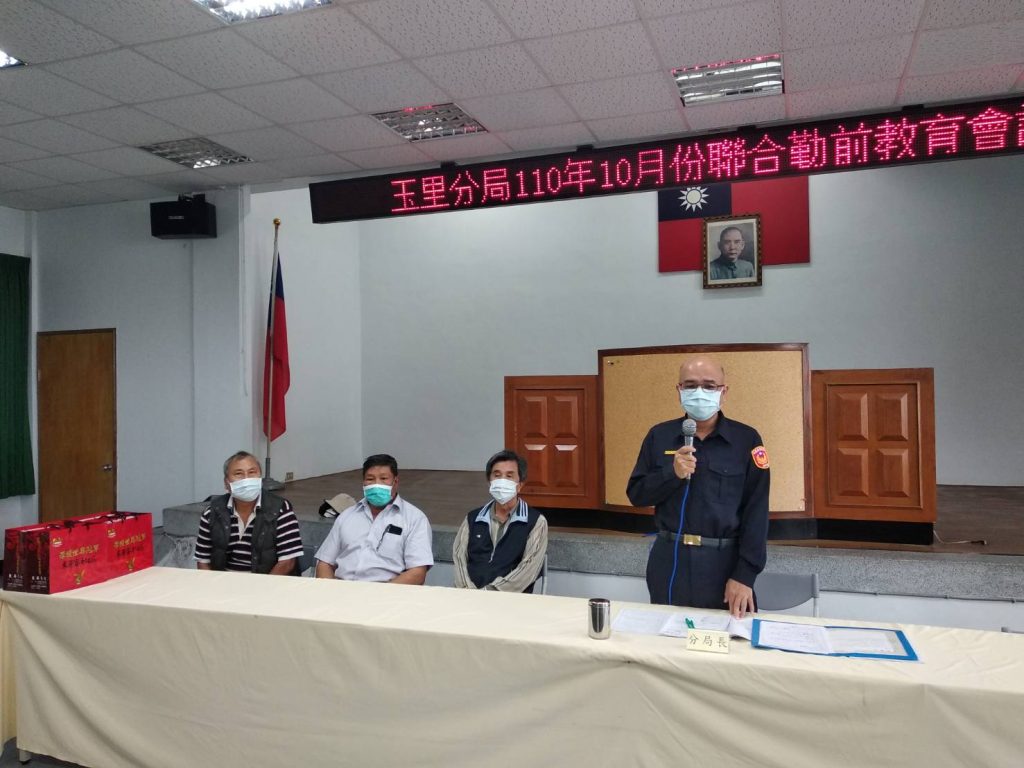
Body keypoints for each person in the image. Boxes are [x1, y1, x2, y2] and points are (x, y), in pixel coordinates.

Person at [626, 356, 769, 617]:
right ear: (679, 390)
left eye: (709, 386)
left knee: (727, 638)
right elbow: (637, 494)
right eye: (690, 385)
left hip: (724, 562)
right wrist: (671, 473)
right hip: (670, 558)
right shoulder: (659, 435)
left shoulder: (746, 439)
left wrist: (745, 574)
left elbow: (756, 512)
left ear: (724, 392)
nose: (699, 392)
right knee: (666, 634)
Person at [314, 454, 433, 584]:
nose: (377, 484)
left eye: (383, 478)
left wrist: (379, 594)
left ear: (395, 482)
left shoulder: (414, 519)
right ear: (363, 483)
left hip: (387, 593)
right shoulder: (347, 516)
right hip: (342, 590)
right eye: (370, 479)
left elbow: (417, 573)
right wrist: (330, 590)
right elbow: (324, 563)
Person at [452, 450, 548, 593]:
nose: (502, 481)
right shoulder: (473, 518)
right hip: (469, 597)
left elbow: (528, 570)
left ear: (520, 485)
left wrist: (491, 593)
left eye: (509, 476)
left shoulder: (535, 522)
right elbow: (459, 558)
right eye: (497, 475)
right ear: (489, 482)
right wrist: (468, 592)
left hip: (511, 601)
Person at [195, 451, 303, 574]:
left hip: (267, 582)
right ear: (226, 483)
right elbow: (203, 561)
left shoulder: (280, 509)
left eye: (252, 472)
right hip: (224, 582)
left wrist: (261, 586)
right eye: (238, 474)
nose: (246, 479)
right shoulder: (212, 512)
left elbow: (287, 562)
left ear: (260, 478)